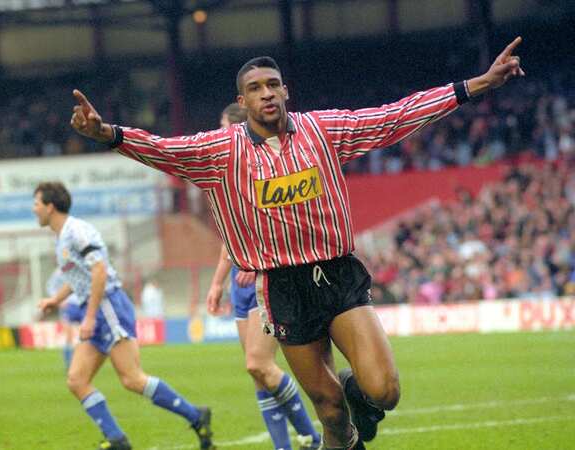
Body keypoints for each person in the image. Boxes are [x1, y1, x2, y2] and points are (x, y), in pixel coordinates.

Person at [70, 37, 525, 450]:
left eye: (273, 85)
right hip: (283, 288)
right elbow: (162, 148)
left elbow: (394, 116)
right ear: (241, 99)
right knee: (328, 411)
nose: (266, 93)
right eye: (256, 88)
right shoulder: (220, 153)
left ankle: (356, 393)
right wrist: (107, 134)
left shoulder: (322, 131)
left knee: (384, 391)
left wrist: (478, 84)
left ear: (286, 91)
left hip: (339, 274)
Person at [34, 182, 215, 450]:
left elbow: (99, 272)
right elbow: (79, 276)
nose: (34, 209)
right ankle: (117, 439)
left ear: (50, 206)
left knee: (132, 378)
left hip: (108, 306)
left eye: (36, 203)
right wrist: (55, 299)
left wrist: (91, 317)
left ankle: (195, 416)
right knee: (77, 380)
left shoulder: (77, 231)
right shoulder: (62, 237)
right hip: (96, 307)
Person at [205, 103, 320, 450]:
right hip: (241, 281)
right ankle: (283, 447)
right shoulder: (231, 174)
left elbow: (279, 224)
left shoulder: (264, 169)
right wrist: (217, 282)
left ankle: (312, 438)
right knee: (256, 373)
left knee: (259, 363)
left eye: (225, 127)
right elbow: (232, 237)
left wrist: (257, 263)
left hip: (265, 278)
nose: (220, 134)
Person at [45, 267, 80, 369]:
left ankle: (82, 363)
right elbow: (50, 286)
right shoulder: (60, 271)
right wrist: (58, 300)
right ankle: (69, 364)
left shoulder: (82, 267)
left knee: (85, 335)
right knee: (68, 336)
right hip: (68, 306)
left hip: (83, 305)